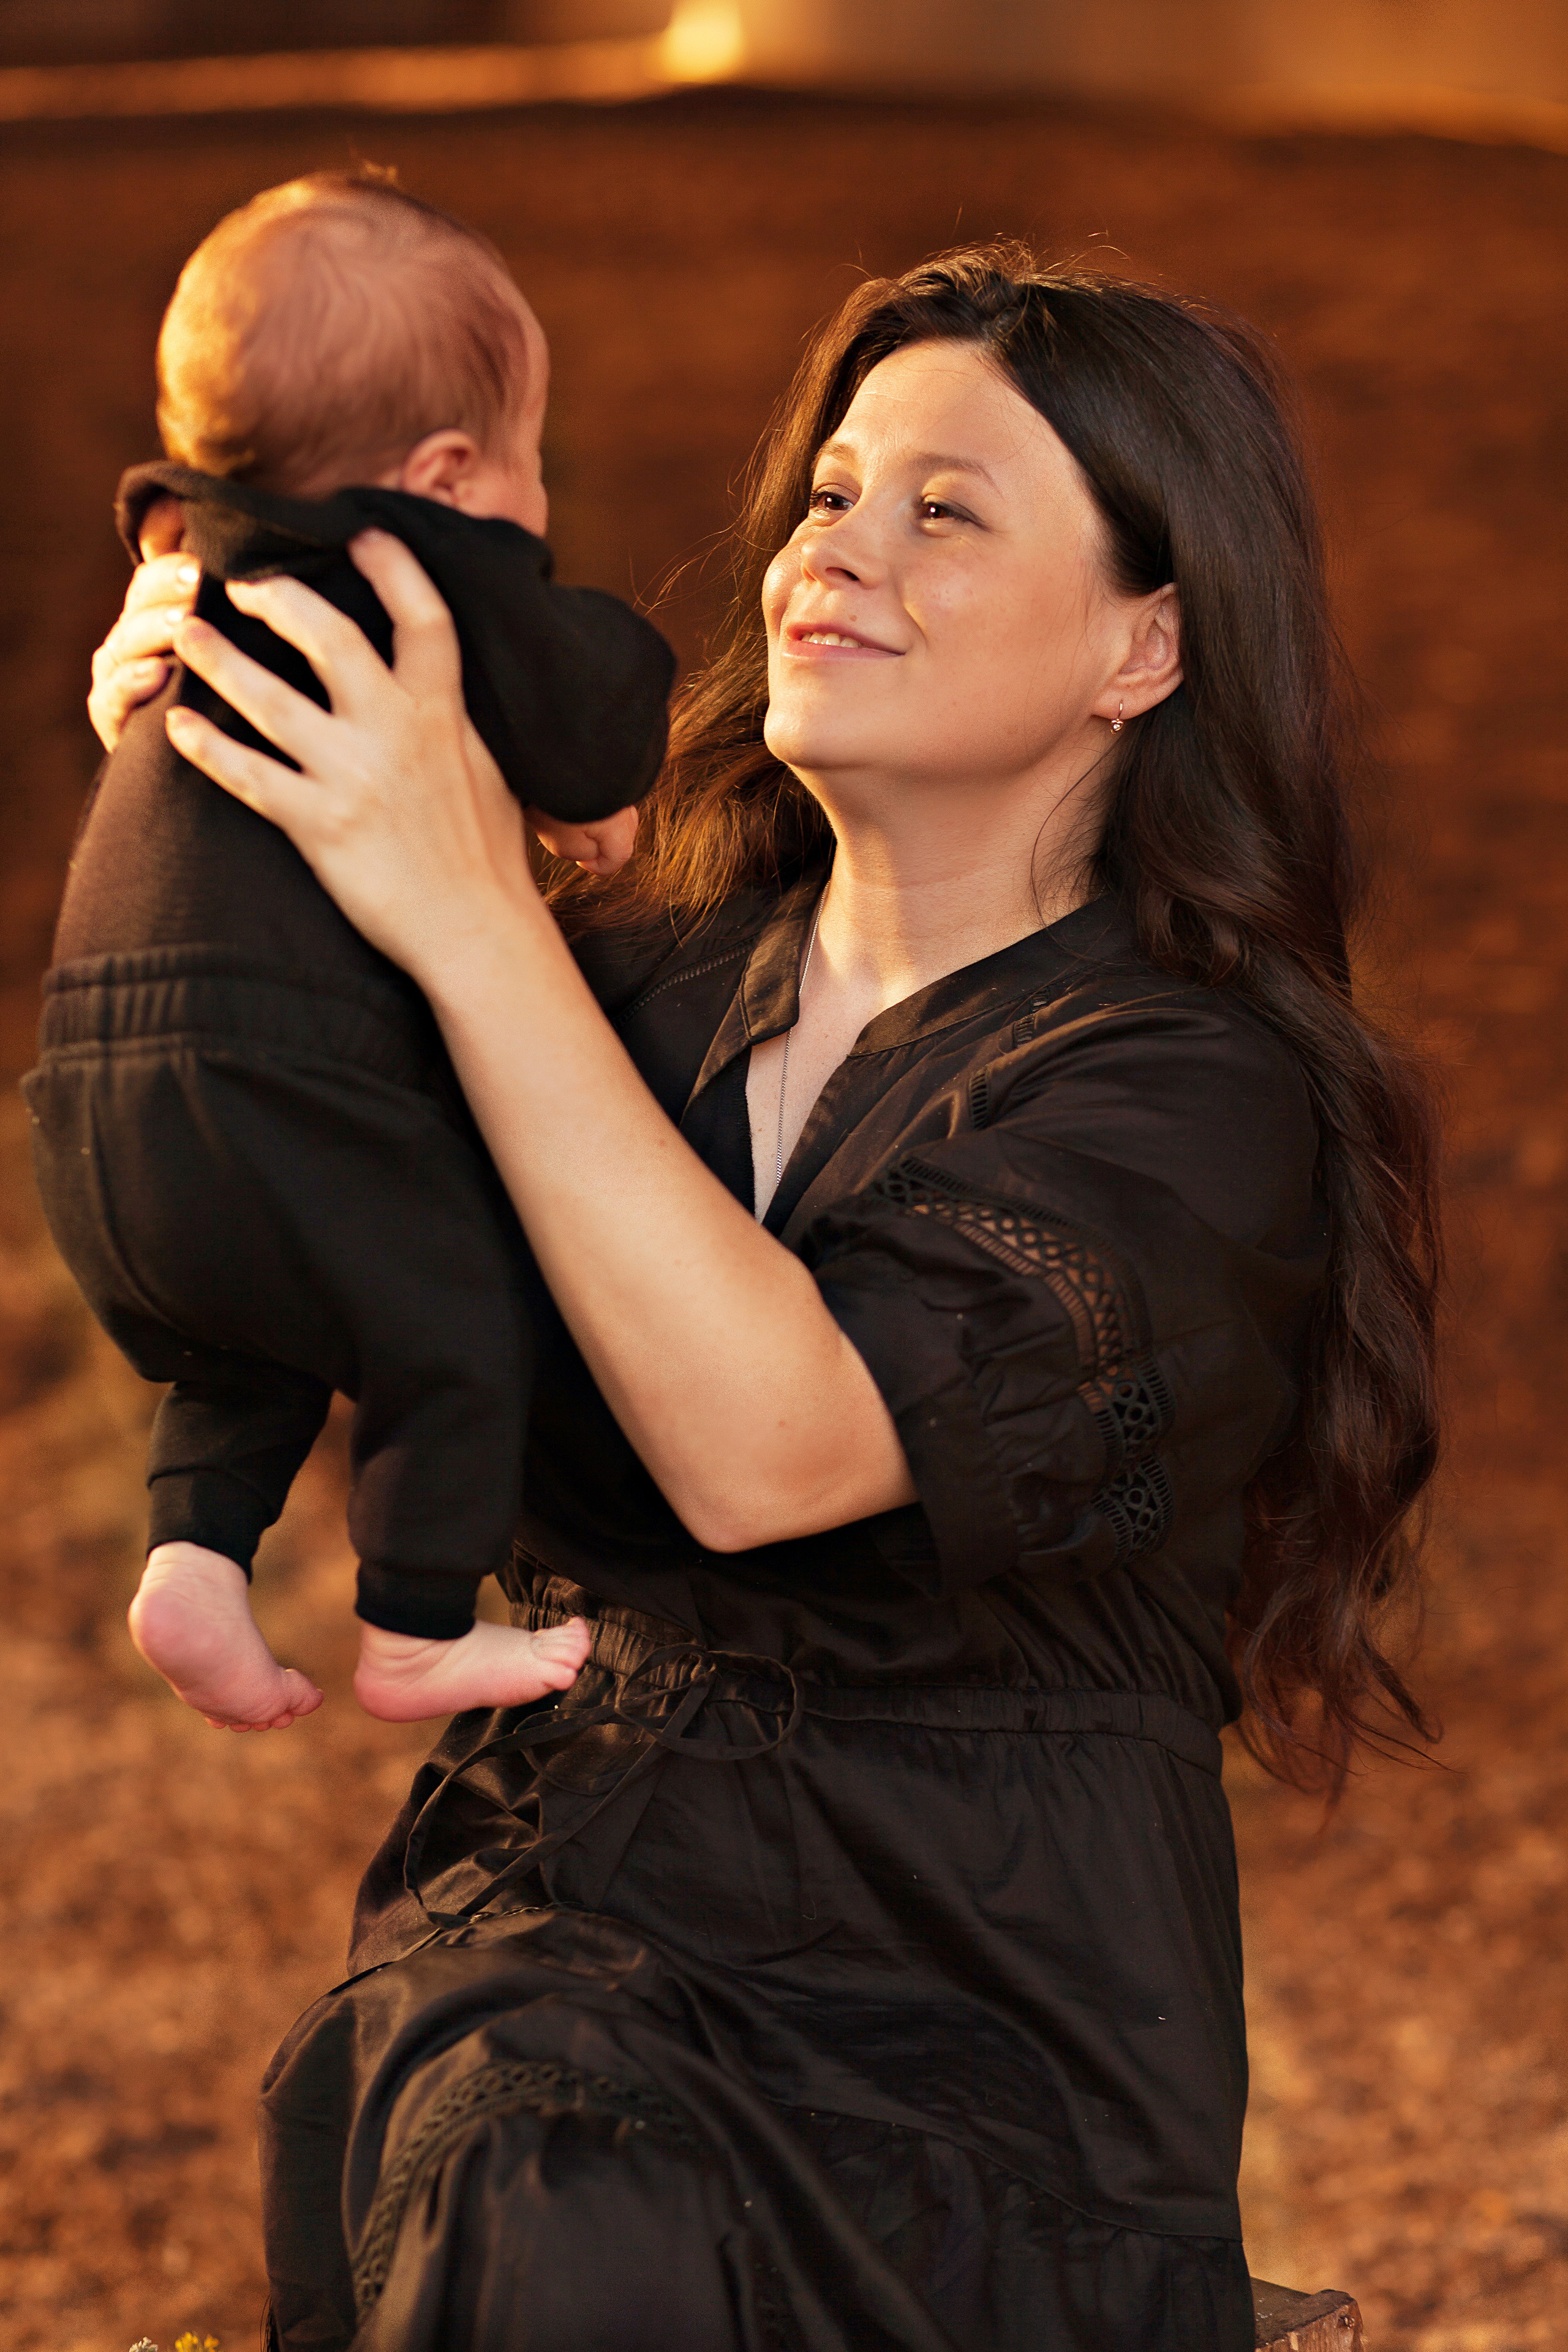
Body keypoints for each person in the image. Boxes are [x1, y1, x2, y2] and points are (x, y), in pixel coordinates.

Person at [89, 247, 1439, 2351]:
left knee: (581, 2175)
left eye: (948, 510)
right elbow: (256, 1212)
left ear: (1143, 644)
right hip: (560, 1957)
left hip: (976, 2053)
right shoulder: (636, 979)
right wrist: (201, 817)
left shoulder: (1191, 1090)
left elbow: (771, 1447)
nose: (838, 555)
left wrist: (466, 910)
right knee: (547, 2163)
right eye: (829, 494)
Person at [30, 170, 677, 1734]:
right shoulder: (414, 555)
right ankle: (410, 1626)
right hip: (279, 1065)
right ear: (449, 468)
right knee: (452, 1312)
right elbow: (588, 703)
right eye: (532, 470)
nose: (530, 515)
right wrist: (596, 772)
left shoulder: (187, 566)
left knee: (245, 1339)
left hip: (90, 1113)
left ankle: (193, 1554)